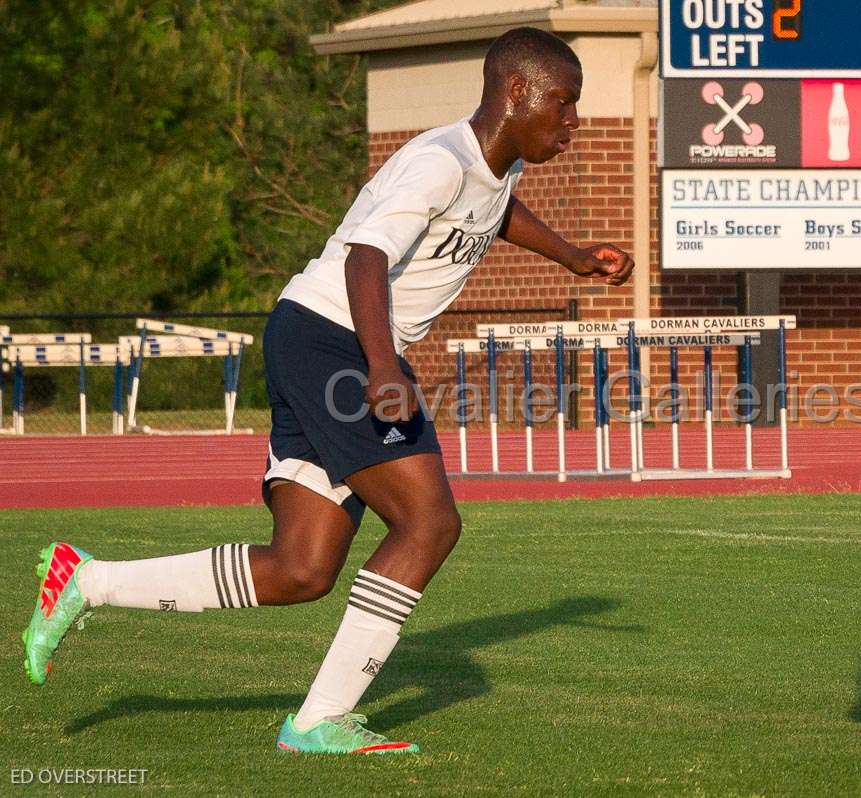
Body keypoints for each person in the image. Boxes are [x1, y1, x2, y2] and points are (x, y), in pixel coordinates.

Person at [23, 27, 633, 755]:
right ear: (515, 91)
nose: (573, 121)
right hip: (334, 341)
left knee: (300, 568)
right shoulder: (438, 162)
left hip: (317, 340)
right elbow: (365, 255)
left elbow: (494, 214)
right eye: (563, 104)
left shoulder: (494, 171)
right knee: (429, 524)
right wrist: (381, 364)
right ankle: (317, 724)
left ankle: (85, 582)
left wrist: (571, 257)